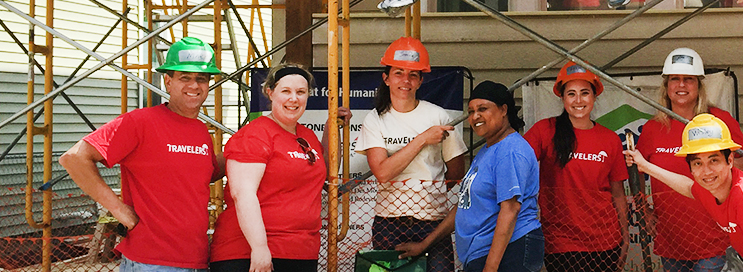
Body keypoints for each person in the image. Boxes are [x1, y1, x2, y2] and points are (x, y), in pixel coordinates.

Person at [58, 37, 224, 271]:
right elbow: (74, 158)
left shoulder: (201, 132)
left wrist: (246, 147)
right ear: (168, 81)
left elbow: (201, 176)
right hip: (151, 262)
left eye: (201, 79)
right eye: (184, 78)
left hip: (195, 259)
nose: (194, 85)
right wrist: (118, 210)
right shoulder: (140, 122)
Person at [625, 114, 743, 272]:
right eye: (698, 163)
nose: (706, 171)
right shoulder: (711, 187)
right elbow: (687, 187)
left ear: (730, 160)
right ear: (690, 168)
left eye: (714, 160)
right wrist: (645, 166)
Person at [208, 64, 348, 272]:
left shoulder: (306, 136)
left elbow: (323, 172)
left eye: (301, 92)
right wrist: (260, 248)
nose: (294, 99)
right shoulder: (255, 134)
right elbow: (242, 193)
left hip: (300, 251)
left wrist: (331, 129)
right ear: (270, 92)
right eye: (286, 91)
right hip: (250, 255)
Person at [396, 80, 543, 272]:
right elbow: (465, 204)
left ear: (504, 109)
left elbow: (510, 210)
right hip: (483, 254)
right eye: (471, 111)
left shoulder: (510, 150)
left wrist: (490, 268)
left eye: (483, 108)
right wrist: (425, 244)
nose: (475, 116)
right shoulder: (488, 150)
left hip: (509, 252)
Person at [637, 48, 743, 272]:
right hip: (672, 243)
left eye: (688, 80)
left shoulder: (719, 120)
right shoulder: (653, 129)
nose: (681, 85)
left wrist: (717, 162)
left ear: (699, 85)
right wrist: (644, 210)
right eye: (675, 79)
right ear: (666, 85)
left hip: (716, 242)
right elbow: (637, 172)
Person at [356, 36, 466, 272]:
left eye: (413, 74)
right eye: (398, 73)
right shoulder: (375, 119)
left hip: (433, 222)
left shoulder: (438, 116)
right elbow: (382, 173)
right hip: (389, 222)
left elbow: (457, 171)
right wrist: (422, 140)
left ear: (420, 81)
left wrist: (427, 191)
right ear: (386, 78)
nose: (405, 80)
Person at [523, 61, 629, 272]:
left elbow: (617, 192)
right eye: (571, 94)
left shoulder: (610, 139)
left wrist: (625, 236)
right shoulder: (545, 130)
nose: (578, 100)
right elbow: (516, 161)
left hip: (607, 241)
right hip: (562, 242)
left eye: (584, 93)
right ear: (562, 98)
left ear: (594, 96)